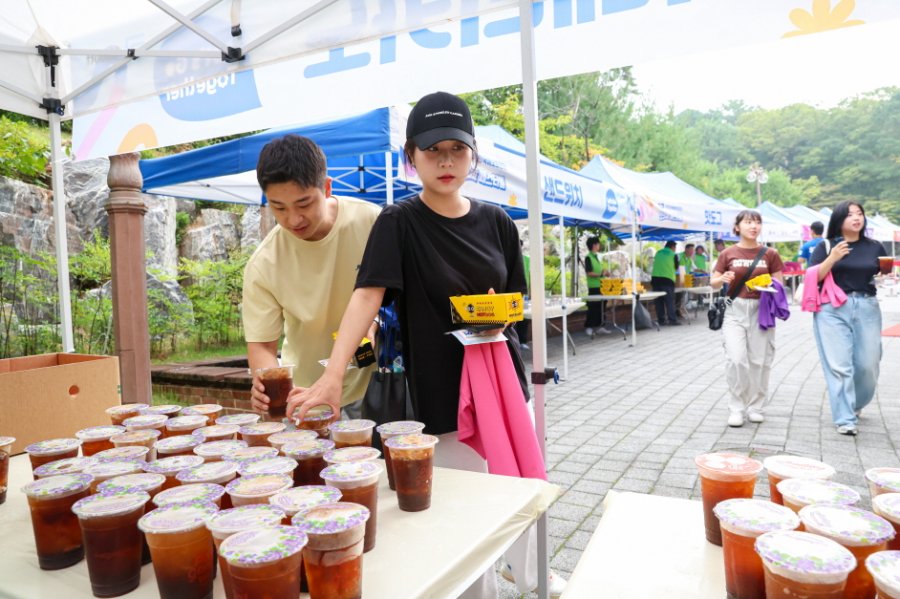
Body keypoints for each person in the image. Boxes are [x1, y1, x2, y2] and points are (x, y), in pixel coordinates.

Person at [289, 91, 565, 598]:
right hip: (441, 393)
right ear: (409, 157)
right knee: (463, 513)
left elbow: (515, 302)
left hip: (501, 380)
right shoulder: (399, 222)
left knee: (516, 484)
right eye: (432, 149)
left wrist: (498, 307)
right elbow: (366, 296)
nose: (445, 161)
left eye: (457, 150)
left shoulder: (499, 222)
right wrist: (332, 377)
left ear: (472, 156)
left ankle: (529, 575)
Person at [243, 135, 380, 419]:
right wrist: (266, 380)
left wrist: (376, 321)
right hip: (308, 399)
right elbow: (262, 346)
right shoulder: (264, 263)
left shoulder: (371, 222)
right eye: (278, 207)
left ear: (327, 187)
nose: (293, 219)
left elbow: (399, 293)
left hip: (378, 387)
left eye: (304, 203)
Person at [809, 201, 888, 436]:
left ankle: (856, 404)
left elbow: (878, 273)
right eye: (850, 214)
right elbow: (815, 277)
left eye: (860, 214)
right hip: (832, 308)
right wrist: (832, 257)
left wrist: (886, 271)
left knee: (868, 365)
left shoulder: (875, 246)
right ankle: (844, 418)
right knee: (839, 365)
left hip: (867, 306)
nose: (857, 218)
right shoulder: (825, 246)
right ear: (839, 219)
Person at [711, 210, 784, 427]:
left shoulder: (770, 253)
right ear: (737, 227)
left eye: (758, 222)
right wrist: (721, 278)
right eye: (749, 222)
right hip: (734, 309)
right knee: (735, 359)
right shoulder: (728, 253)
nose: (754, 226)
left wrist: (770, 284)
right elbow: (713, 281)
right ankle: (736, 407)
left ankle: (756, 406)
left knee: (760, 361)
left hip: (761, 309)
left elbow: (779, 284)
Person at [584, 236, 610, 337]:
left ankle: (600, 326)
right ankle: (589, 327)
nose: (599, 245)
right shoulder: (588, 257)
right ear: (594, 245)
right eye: (598, 244)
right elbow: (589, 273)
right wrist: (601, 274)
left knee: (602, 306)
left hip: (602, 286)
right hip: (594, 287)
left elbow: (601, 271)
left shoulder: (598, 257)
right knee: (593, 308)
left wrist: (605, 273)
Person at [651, 240, 680, 325]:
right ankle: (672, 320)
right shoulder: (673, 255)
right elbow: (676, 267)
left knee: (658, 301)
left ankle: (661, 320)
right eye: (675, 248)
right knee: (669, 301)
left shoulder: (658, 253)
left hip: (655, 279)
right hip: (667, 279)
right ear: (672, 247)